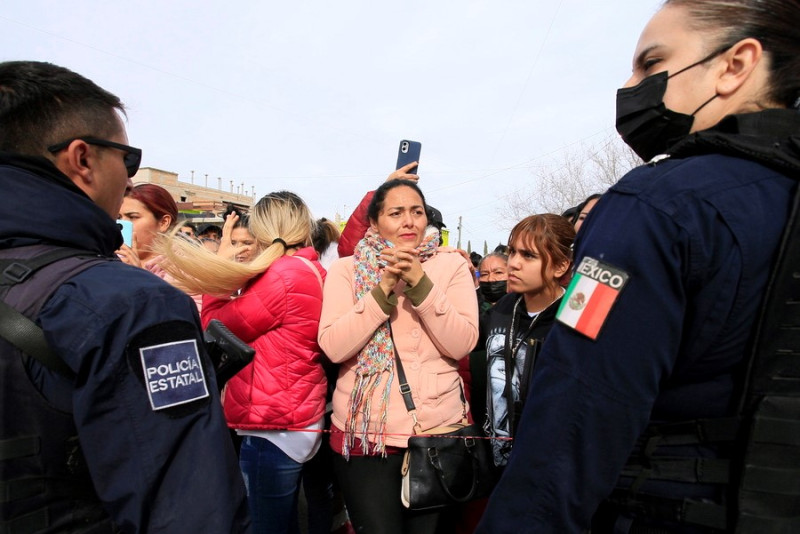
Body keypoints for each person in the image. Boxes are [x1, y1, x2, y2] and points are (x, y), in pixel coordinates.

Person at [477, 1, 800, 532]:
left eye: (651, 63)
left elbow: (577, 412)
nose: (631, 86)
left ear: (735, 64)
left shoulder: (653, 207)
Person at [0, 61, 249, 532]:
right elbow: (190, 511)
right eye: (127, 159)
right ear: (83, 159)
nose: (130, 181)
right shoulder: (132, 304)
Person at [158, 190, 327, 534]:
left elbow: (217, 327)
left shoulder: (284, 276)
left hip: (274, 423)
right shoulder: (307, 268)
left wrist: (217, 278)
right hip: (291, 414)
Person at [318, 179, 479, 534]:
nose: (409, 221)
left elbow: (461, 343)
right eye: (396, 213)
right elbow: (333, 346)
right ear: (374, 223)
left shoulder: (449, 266)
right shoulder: (346, 270)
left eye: (416, 212)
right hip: (365, 436)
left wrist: (421, 283)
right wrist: (383, 290)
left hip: (434, 434)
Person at [482, 214, 574, 468]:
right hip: (496, 463)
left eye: (528, 256)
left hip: (550, 465)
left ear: (560, 265)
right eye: (512, 252)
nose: (514, 263)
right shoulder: (502, 309)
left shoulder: (574, 318)